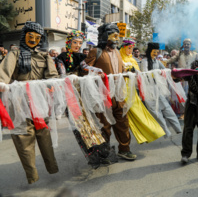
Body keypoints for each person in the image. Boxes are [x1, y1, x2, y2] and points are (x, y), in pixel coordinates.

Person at [0, 21, 59, 184]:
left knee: (44, 135)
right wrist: (2, 83)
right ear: (24, 36)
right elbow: (3, 73)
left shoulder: (45, 56)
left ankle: (52, 167)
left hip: (39, 101)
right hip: (18, 102)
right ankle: (32, 175)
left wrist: (51, 84)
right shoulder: (14, 54)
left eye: (37, 37)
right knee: (23, 137)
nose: (33, 39)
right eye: (30, 36)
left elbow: (53, 76)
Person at [55, 30, 113, 167]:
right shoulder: (61, 57)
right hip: (70, 95)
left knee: (92, 123)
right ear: (69, 42)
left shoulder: (81, 56)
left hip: (82, 93)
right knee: (79, 126)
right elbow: (62, 74)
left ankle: (101, 153)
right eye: (75, 42)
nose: (77, 45)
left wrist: (97, 70)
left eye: (80, 43)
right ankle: (91, 155)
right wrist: (71, 78)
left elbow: (85, 67)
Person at [85, 23, 136, 161]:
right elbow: (84, 68)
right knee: (104, 126)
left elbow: (120, 70)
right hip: (102, 95)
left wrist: (127, 72)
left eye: (117, 36)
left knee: (123, 123)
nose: (116, 39)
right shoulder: (96, 51)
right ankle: (103, 153)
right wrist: (96, 74)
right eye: (114, 36)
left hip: (118, 94)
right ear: (105, 36)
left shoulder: (118, 52)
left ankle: (124, 150)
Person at [119, 38, 165, 144]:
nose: (130, 51)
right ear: (123, 48)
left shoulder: (133, 60)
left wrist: (133, 71)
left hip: (131, 89)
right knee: (124, 117)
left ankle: (152, 132)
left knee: (138, 111)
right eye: (128, 48)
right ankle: (137, 137)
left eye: (131, 48)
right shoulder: (118, 58)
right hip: (120, 89)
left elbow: (139, 73)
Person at [140, 42, 182, 138]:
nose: (155, 54)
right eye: (154, 52)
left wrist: (175, 73)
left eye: (157, 52)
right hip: (149, 90)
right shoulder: (145, 61)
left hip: (158, 89)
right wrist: (157, 73)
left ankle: (177, 128)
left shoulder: (157, 61)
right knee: (156, 112)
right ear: (149, 51)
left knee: (167, 108)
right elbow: (145, 73)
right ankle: (166, 131)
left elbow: (166, 71)